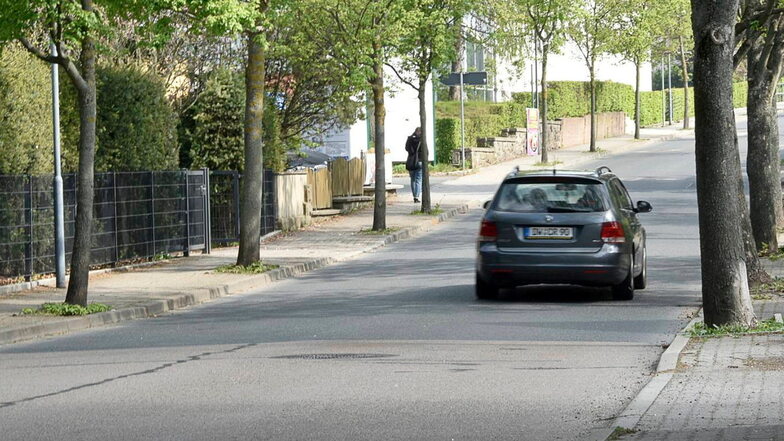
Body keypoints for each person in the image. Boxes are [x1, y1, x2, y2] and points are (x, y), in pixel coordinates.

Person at [405, 127, 423, 203]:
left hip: (411, 161)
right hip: (419, 161)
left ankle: (414, 196)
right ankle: (417, 196)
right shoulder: (421, 140)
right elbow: (425, 151)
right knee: (418, 179)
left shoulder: (409, 139)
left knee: (412, 179)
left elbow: (406, 148)